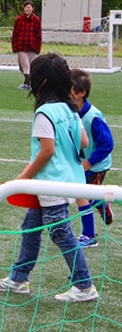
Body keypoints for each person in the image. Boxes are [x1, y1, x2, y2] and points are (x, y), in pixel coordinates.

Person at [0, 53, 99, 303]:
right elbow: (83, 141)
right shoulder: (70, 109)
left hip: (51, 182)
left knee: (60, 231)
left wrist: (23, 178)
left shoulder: (45, 113)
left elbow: (47, 151)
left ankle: (84, 285)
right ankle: (18, 279)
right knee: (31, 226)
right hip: (70, 178)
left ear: (43, 81)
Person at [70, 68, 115, 248]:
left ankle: (89, 236)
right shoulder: (71, 111)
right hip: (82, 163)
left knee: (83, 196)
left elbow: (107, 144)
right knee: (81, 194)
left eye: (69, 90)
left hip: (96, 166)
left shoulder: (93, 117)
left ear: (81, 93)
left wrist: (88, 163)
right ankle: (101, 202)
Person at [11, 0, 42, 90]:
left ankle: (28, 83)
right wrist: (14, 46)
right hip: (21, 46)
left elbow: (39, 34)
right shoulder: (19, 19)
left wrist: (38, 47)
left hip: (31, 46)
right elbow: (15, 34)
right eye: (26, 7)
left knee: (28, 65)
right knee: (22, 66)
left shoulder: (36, 20)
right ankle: (28, 82)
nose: (27, 9)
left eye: (29, 7)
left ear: (32, 8)